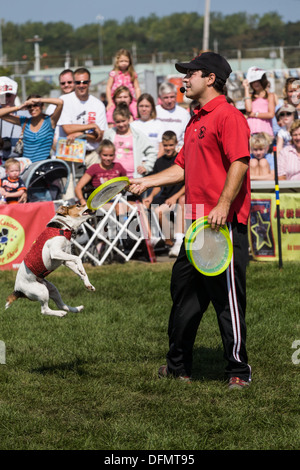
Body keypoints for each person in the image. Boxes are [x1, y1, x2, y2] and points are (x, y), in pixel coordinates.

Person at [129, 52, 252, 389]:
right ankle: (178, 366)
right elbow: (181, 167)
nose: (183, 78)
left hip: (223, 225)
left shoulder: (228, 116)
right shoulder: (195, 119)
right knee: (183, 295)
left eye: (190, 73)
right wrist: (147, 182)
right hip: (197, 225)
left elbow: (239, 163)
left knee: (227, 301)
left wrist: (223, 204)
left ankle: (238, 373)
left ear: (211, 78)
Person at [142, 131, 185, 256]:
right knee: (151, 209)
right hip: (166, 197)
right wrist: (150, 196)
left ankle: (176, 241)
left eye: (171, 145)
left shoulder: (181, 159)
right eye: (165, 145)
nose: (168, 148)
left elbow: (188, 183)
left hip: (181, 196)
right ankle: (166, 241)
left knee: (169, 208)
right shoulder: (159, 162)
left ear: (176, 144)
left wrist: (175, 197)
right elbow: (158, 184)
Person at [58, 67, 108, 168]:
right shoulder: (64, 100)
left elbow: (99, 136)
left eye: (84, 82)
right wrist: (92, 126)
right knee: (71, 184)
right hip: (69, 154)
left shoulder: (98, 104)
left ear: (89, 83)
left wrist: (80, 134)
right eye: (78, 82)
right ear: (74, 83)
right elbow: (67, 129)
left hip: (92, 155)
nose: (81, 85)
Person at [0, 94, 63, 164]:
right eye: (29, 106)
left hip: (44, 166)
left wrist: (38, 100)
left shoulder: (50, 121)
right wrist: (19, 107)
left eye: (36, 105)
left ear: (42, 106)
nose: (32, 108)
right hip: (27, 167)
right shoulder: (24, 121)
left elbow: (60, 103)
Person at [103, 103, 156, 180]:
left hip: (133, 177)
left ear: (128, 119)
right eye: (118, 122)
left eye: (123, 121)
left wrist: (147, 167)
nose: (121, 124)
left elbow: (152, 151)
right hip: (113, 177)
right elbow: (102, 152)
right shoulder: (109, 134)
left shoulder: (137, 135)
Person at [75, 139, 127, 205]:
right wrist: (82, 201)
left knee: (139, 206)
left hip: (118, 199)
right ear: (99, 154)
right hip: (100, 202)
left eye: (111, 155)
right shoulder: (94, 168)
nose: (108, 158)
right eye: (105, 155)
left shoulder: (118, 166)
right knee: (118, 208)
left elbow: (126, 183)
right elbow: (78, 187)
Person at [0, 76, 30, 164]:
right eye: (2, 95)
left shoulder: (26, 114)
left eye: (9, 95)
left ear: (15, 95)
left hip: (21, 162)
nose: (6, 98)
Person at [155, 82, 191, 154]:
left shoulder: (184, 113)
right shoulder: (154, 112)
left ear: (176, 95)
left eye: (172, 97)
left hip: (178, 152)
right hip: (157, 152)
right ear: (160, 97)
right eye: (166, 97)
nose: (169, 101)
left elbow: (187, 136)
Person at [242, 66, 275, 137]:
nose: (256, 84)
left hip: (265, 132)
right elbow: (248, 109)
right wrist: (246, 88)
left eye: (258, 81)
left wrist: (254, 114)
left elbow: (271, 114)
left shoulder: (270, 95)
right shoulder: (250, 96)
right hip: (251, 131)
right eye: (253, 81)